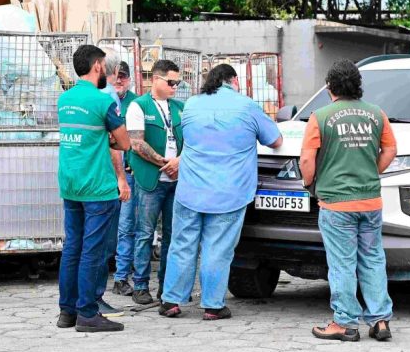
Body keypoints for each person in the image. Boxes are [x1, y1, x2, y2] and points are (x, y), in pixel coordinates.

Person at [160, 64, 282, 320]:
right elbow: (276, 140)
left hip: (190, 189)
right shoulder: (246, 105)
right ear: (234, 80)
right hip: (229, 192)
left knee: (182, 244)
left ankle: (171, 300)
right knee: (217, 248)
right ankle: (213, 306)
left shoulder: (192, 104)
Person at [300, 59, 397, 342]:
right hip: (370, 201)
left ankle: (344, 322)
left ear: (330, 87)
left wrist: (310, 184)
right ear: (358, 86)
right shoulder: (376, 114)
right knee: (373, 259)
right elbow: (391, 149)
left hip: (336, 203)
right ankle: (380, 321)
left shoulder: (321, 116)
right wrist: (371, 170)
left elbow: (307, 158)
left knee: (342, 263)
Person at [57, 45, 131, 333]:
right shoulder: (103, 103)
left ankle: (67, 311)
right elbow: (124, 142)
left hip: (70, 184)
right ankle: (88, 313)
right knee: (92, 250)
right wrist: (109, 141)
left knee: (72, 247)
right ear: (98, 66)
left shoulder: (65, 99)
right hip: (97, 187)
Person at [125, 59, 183, 305]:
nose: (175, 87)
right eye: (171, 82)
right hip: (152, 179)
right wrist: (165, 163)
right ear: (156, 79)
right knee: (144, 234)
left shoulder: (180, 107)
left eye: (178, 82)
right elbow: (136, 144)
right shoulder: (138, 106)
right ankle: (140, 286)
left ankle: (166, 288)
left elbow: (191, 140)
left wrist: (179, 161)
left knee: (173, 235)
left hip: (175, 179)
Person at [108, 61, 140, 297]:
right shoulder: (105, 99)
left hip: (129, 173)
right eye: (116, 75)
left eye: (124, 76)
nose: (119, 80)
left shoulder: (136, 104)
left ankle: (122, 277)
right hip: (107, 173)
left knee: (129, 226)